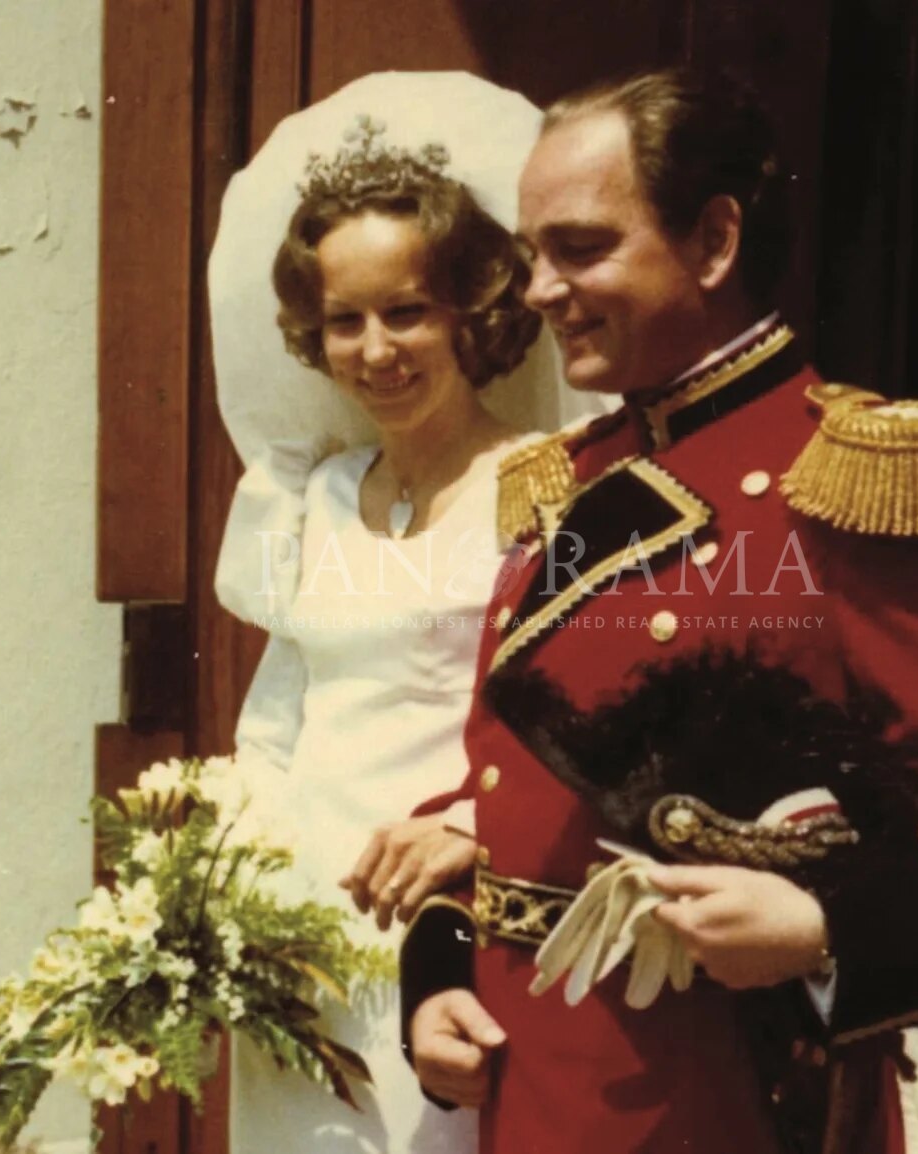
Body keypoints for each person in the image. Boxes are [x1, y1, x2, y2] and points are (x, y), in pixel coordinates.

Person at [400, 68, 918, 1154]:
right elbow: (515, 793)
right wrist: (437, 972)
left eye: (579, 249)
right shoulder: (572, 478)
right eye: (533, 253)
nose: (537, 289)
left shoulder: (848, 478)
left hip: (729, 1106)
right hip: (533, 1094)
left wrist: (826, 923)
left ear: (714, 242)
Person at [210, 72, 608, 1154]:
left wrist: (477, 833)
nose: (375, 350)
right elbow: (274, 722)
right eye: (344, 320)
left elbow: (591, 723)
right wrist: (221, 884)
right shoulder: (313, 498)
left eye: (406, 312)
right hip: (301, 932)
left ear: (472, 315)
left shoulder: (545, 488)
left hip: (456, 909)